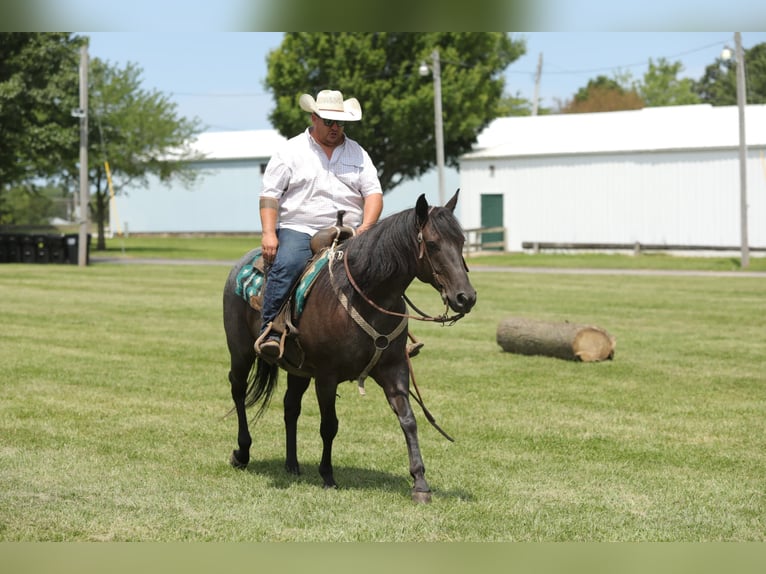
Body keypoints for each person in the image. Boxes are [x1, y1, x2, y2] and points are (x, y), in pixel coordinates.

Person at [257, 89, 383, 358]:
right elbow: (270, 195)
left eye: (340, 123)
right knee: (288, 264)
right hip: (300, 227)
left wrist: (367, 227)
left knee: (383, 270)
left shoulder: (358, 153)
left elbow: (373, 193)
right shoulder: (290, 151)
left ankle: (390, 335)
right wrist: (269, 233)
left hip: (350, 231)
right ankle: (272, 330)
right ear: (314, 118)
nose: (335, 128)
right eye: (329, 122)